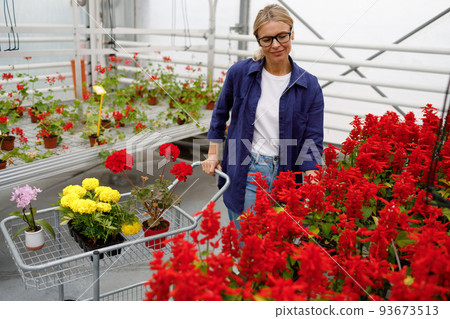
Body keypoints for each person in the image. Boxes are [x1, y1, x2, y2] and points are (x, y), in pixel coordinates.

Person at [202, 4, 324, 229]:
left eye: (281, 36)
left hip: (288, 175)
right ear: (258, 40)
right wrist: (212, 154)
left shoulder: (309, 85)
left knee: (278, 249)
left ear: (292, 33)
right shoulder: (240, 74)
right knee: (247, 244)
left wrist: (312, 179)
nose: (275, 45)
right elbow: (220, 114)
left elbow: (313, 138)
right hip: (248, 169)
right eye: (267, 39)